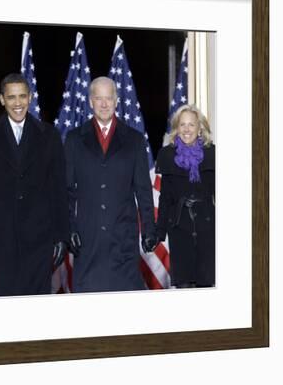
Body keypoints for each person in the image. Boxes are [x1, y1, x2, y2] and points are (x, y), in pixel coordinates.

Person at [0, 73, 70, 296]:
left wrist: (61, 235)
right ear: (2, 99)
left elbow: (59, 191)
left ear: (30, 97)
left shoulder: (49, 137)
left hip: (40, 242)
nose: (18, 103)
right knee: (6, 314)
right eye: (11, 97)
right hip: (1, 242)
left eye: (22, 96)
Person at [64, 76, 156, 292]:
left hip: (123, 240)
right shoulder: (74, 139)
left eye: (109, 98)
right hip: (87, 241)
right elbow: (66, 190)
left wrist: (149, 230)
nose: (104, 104)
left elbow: (143, 191)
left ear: (116, 101)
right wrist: (68, 228)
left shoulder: (134, 140)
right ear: (90, 101)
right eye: (98, 98)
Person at [155, 104, 215, 288]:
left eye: (191, 125)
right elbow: (165, 198)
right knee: (183, 287)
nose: (187, 129)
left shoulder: (212, 153)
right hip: (179, 228)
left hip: (208, 228)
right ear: (176, 128)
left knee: (207, 285)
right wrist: (160, 231)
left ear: (199, 128)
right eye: (182, 125)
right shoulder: (167, 155)